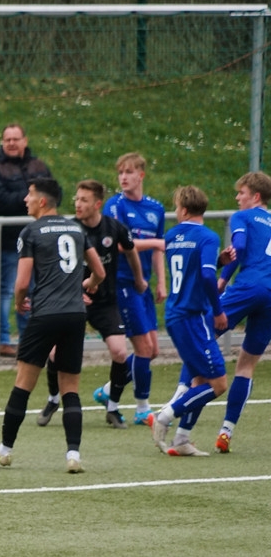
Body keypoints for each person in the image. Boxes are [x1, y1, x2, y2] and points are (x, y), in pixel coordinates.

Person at [0, 178, 104, 473]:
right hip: (75, 314)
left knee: (23, 383)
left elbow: (22, 282)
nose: (25, 199)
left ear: (42, 201)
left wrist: (19, 302)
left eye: (29, 194)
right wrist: (88, 284)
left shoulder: (31, 231)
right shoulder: (76, 229)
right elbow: (99, 271)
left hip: (45, 314)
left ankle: (5, 449)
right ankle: (73, 455)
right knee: (70, 388)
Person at [37, 179, 147, 429]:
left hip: (105, 303)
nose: (78, 204)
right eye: (76, 199)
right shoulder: (69, 230)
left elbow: (130, 249)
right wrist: (76, 290)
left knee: (120, 352)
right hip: (73, 301)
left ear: (97, 204)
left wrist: (139, 279)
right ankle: (53, 399)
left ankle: (113, 407)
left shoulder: (114, 228)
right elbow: (57, 268)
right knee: (54, 353)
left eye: (84, 200)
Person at [150, 186, 228, 457]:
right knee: (218, 384)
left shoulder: (172, 235)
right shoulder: (208, 236)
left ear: (183, 210)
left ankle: (182, 439)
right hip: (193, 317)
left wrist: (217, 262)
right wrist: (218, 311)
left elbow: (190, 268)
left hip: (175, 314)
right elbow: (205, 276)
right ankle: (165, 416)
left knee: (200, 380)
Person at [100, 152, 167, 425]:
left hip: (143, 284)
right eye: (120, 173)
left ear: (141, 175)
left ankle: (107, 391)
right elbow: (118, 245)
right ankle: (142, 409)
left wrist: (161, 282)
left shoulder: (155, 209)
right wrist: (155, 244)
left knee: (153, 350)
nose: (123, 177)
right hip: (122, 282)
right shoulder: (115, 206)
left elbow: (159, 249)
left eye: (129, 172)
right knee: (143, 347)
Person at [210, 171, 271, 453]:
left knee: (201, 336)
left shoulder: (243, 217)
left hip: (248, 286)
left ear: (255, 196)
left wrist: (222, 280)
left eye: (242, 193)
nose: (237, 198)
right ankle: (227, 431)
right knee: (246, 366)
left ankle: (175, 409)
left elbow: (240, 247)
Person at [0, 124, 53, 357]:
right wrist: (31, 197)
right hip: (8, 242)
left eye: (16, 139)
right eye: (7, 139)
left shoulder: (39, 166)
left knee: (34, 289)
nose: (12, 143)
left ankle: (29, 339)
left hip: (39, 239)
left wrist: (29, 198)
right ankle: (3, 340)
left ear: (25, 140)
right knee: (8, 290)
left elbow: (53, 194)